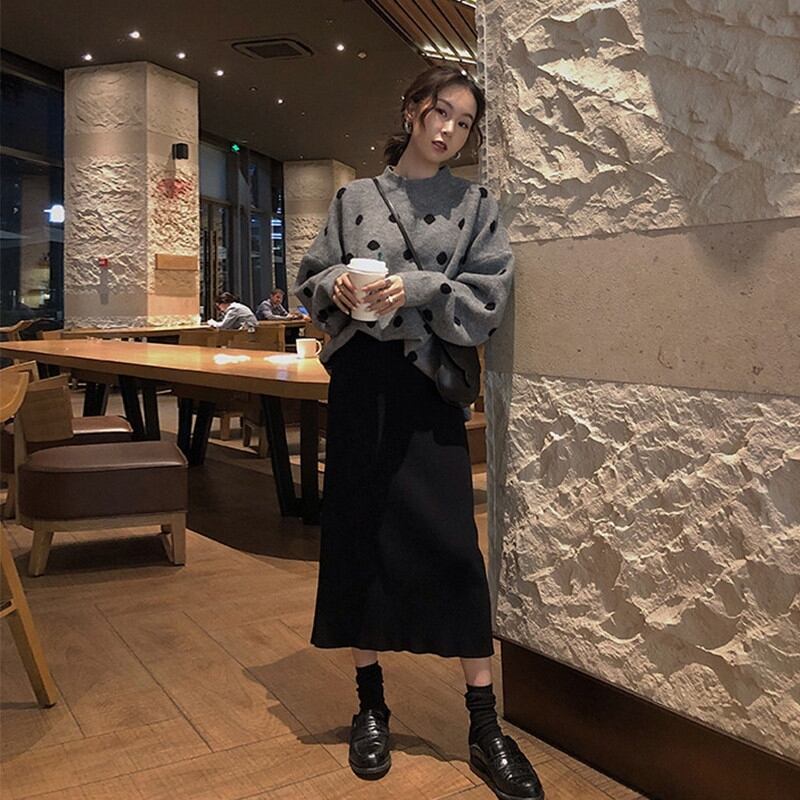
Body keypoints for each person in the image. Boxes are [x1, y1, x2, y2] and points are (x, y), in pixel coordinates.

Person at [293, 66, 543, 800]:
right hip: (361, 382)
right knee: (357, 536)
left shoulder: (475, 205)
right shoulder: (354, 198)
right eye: (440, 113)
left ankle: (484, 724)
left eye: (464, 123)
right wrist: (336, 283)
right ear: (410, 110)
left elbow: (489, 296)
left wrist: (422, 286)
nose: (448, 131)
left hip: (428, 385)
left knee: (454, 547)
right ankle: (370, 705)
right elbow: (311, 277)